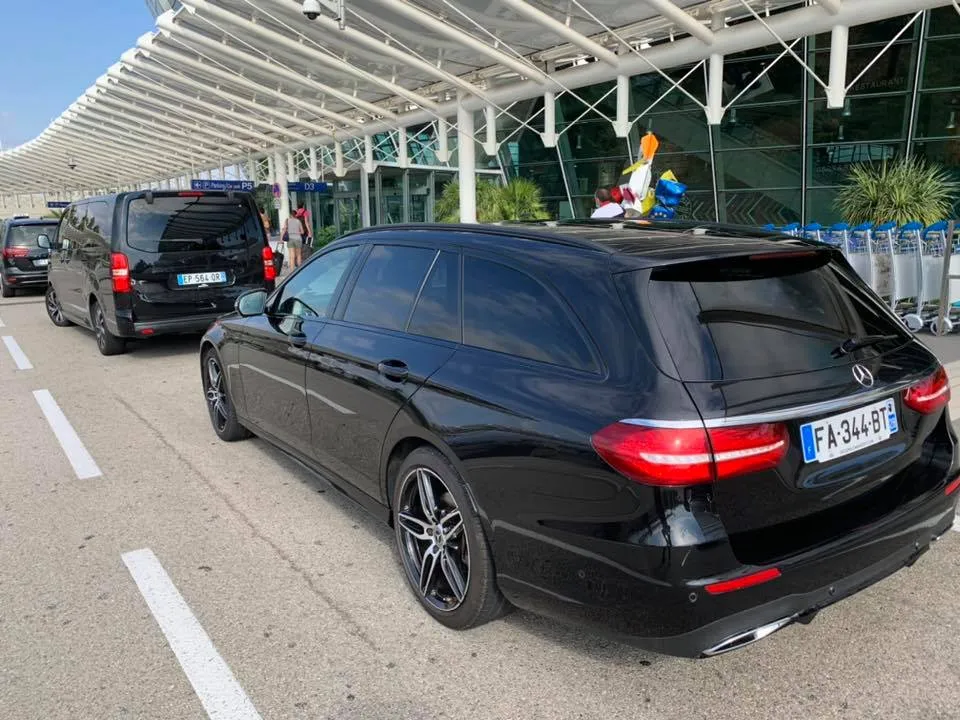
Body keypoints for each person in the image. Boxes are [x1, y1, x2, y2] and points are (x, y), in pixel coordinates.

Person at [281, 204, 310, 270]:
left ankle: (292, 271)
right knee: (298, 255)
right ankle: (299, 270)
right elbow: (302, 232)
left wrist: (281, 240)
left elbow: (284, 230)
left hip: (290, 239)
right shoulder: (298, 221)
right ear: (295, 215)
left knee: (292, 256)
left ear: (290, 215)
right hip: (298, 239)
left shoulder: (287, 220)